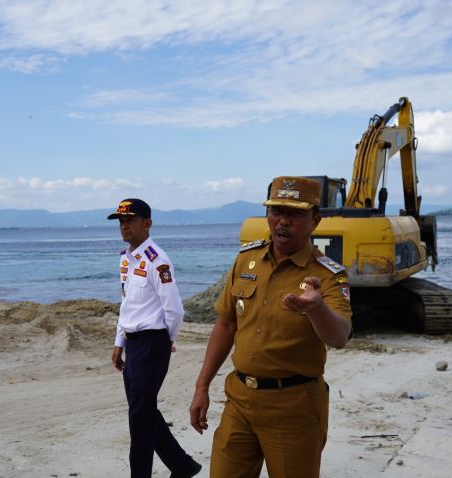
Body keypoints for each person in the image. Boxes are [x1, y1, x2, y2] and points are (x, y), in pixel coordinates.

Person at [188, 176, 353, 478]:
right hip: (239, 400)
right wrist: (202, 387)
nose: (283, 221)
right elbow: (226, 325)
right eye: (276, 211)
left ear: (315, 220)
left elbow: (340, 336)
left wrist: (316, 309)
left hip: (294, 407)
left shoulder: (328, 275)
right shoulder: (246, 260)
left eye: (295, 214)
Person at [108, 198, 202, 478]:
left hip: (152, 343)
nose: (124, 226)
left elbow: (174, 309)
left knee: (139, 419)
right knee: (143, 410)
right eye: (121, 221)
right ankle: (182, 466)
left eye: (130, 220)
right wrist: (119, 341)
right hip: (133, 342)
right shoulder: (126, 258)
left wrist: (166, 340)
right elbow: (127, 303)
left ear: (147, 223)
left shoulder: (157, 260)